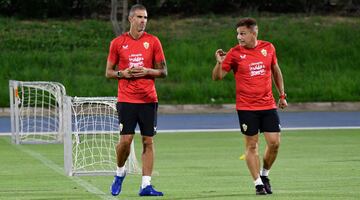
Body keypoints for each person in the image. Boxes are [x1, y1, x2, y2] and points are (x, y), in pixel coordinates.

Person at [212, 17, 287, 195]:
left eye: (243, 34)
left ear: (254, 33)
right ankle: (258, 184)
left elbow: (275, 70)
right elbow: (217, 77)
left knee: (274, 143)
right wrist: (219, 63)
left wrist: (282, 95)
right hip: (246, 108)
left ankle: (265, 174)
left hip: (268, 105)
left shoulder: (268, 48)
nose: (239, 37)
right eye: (238, 34)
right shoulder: (234, 53)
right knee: (252, 146)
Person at [105, 4, 167, 197]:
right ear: (131, 19)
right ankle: (120, 172)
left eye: (146, 17)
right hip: (127, 99)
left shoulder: (153, 41)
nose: (143, 21)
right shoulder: (117, 43)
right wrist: (122, 74)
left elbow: (164, 71)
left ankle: (145, 185)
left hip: (148, 99)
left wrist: (148, 71)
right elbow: (108, 73)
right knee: (126, 141)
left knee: (148, 141)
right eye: (139, 17)